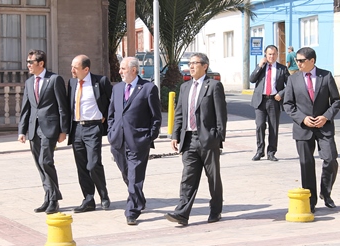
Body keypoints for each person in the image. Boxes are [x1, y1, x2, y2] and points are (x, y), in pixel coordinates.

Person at [165, 52, 227, 226]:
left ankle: (216, 210)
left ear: (205, 66)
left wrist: (218, 137)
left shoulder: (214, 86)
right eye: (189, 63)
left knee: (213, 178)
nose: (191, 66)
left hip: (208, 140)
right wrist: (175, 135)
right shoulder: (185, 87)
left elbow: (221, 114)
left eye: (195, 63)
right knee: (188, 178)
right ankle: (182, 213)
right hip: (189, 139)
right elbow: (179, 114)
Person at [283, 47, 340, 213]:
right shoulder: (293, 79)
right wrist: (303, 118)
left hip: (324, 127)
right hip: (303, 128)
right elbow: (288, 104)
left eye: (301, 61)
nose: (297, 63)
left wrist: (326, 116)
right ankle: (311, 200)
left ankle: (326, 192)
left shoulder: (326, 76)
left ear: (311, 61)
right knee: (306, 165)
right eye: (297, 61)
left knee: (330, 159)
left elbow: (336, 101)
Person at [107, 56, 162, 225]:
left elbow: (156, 117)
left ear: (133, 69)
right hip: (118, 141)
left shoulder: (148, 88)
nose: (120, 72)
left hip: (138, 141)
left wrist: (148, 137)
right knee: (127, 174)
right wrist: (111, 132)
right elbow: (112, 113)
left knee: (134, 176)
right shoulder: (117, 89)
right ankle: (139, 199)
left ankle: (132, 211)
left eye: (123, 68)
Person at [18, 49, 70, 214]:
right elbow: (25, 108)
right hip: (34, 129)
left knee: (45, 161)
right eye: (27, 62)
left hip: (50, 129)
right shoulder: (29, 82)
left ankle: (54, 200)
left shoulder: (54, 79)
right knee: (39, 165)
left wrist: (63, 130)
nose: (28, 65)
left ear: (41, 63)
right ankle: (48, 197)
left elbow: (63, 106)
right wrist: (22, 130)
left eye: (30, 62)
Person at [67, 55, 112, 213]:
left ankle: (104, 195)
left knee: (93, 164)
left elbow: (111, 101)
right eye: (72, 66)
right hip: (77, 128)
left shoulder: (100, 82)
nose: (72, 70)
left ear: (86, 69)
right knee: (81, 166)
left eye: (75, 67)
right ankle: (88, 199)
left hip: (93, 128)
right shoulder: (72, 83)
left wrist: (106, 116)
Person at [249, 45, 290, 162]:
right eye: (269, 54)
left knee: (273, 127)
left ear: (277, 55)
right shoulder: (261, 67)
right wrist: (259, 65)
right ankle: (259, 151)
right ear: (265, 55)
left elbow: (290, 84)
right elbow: (252, 79)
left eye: (274, 54)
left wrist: (281, 94)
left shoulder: (282, 69)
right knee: (260, 125)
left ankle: (271, 152)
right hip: (260, 100)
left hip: (274, 100)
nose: (271, 56)